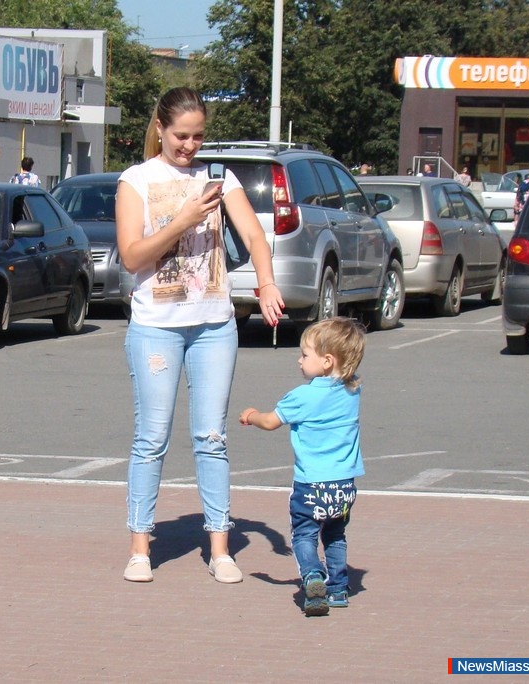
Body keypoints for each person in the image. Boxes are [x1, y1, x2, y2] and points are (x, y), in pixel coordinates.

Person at [116, 87, 284, 585]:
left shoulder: (218, 178)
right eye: (180, 136)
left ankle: (220, 548)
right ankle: (140, 547)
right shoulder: (137, 180)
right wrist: (185, 218)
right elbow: (132, 256)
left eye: (198, 136)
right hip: (156, 328)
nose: (189, 145)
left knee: (212, 438)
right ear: (161, 130)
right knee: (152, 438)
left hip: (214, 324)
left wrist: (266, 279)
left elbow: (253, 234)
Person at [239, 317, 366, 616]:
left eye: (305, 355)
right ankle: (338, 589)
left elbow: (271, 422)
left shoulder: (303, 395)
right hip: (345, 486)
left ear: (326, 361)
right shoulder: (352, 391)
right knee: (335, 535)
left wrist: (252, 415)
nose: (299, 360)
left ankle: (312, 576)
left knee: (304, 536)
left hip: (311, 486)